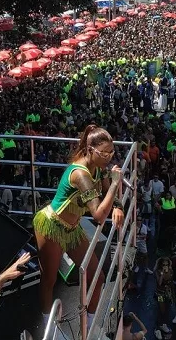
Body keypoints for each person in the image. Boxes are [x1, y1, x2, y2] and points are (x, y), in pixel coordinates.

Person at [32, 124, 125, 328]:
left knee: (97, 276)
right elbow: (99, 216)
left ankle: (90, 326)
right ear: (91, 150)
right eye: (104, 153)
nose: (109, 157)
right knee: (49, 280)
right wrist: (116, 184)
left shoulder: (97, 168)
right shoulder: (81, 175)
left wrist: (118, 205)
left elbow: (107, 192)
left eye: (112, 152)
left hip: (72, 229)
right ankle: (49, 325)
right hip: (51, 226)